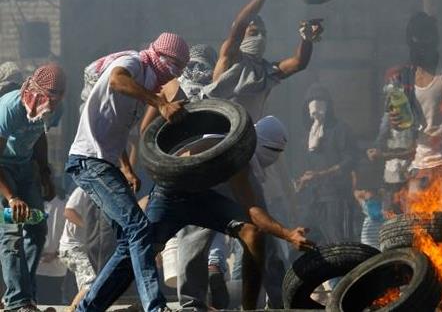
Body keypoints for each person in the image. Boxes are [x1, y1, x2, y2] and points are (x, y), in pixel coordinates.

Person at [171, 0, 324, 310]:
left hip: (240, 158)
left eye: (261, 31)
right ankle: (191, 303)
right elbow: (238, 26)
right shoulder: (229, 60)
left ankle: (280, 298)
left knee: (263, 229)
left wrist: (307, 37)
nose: (257, 33)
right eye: (253, 30)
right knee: (196, 232)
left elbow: (298, 62)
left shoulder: (266, 72)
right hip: (209, 152)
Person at [75, 115, 314, 311]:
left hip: (206, 201)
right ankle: (89, 306)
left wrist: (287, 234)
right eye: (273, 151)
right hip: (171, 195)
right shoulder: (223, 144)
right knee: (139, 250)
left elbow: (254, 212)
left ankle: (250, 308)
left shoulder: (242, 160)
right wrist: (288, 234)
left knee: (254, 234)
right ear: (261, 142)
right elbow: (180, 160)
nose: (274, 158)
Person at [65, 32, 190, 312]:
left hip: (106, 164)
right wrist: (160, 103)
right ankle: (155, 306)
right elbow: (116, 80)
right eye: (175, 67)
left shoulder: (142, 87)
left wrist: (127, 168)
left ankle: (89, 308)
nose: (175, 75)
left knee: (128, 241)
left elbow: (114, 129)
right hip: (88, 160)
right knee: (138, 227)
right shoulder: (134, 62)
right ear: (161, 58)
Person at [368, 12, 442, 209]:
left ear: (433, 40)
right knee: (416, 223)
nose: (420, 48)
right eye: (415, 42)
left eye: (424, 40)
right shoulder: (406, 75)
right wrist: (397, 122)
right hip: (420, 163)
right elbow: (404, 122)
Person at [0, 64, 66, 312]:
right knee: (11, 232)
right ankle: (18, 301)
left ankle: (23, 296)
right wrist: (12, 197)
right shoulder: (10, 108)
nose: (47, 104)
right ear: (32, 91)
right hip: (4, 171)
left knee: (37, 227)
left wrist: (45, 174)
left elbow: (40, 135)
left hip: (27, 169)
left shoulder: (57, 109)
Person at [296, 83, 357, 245]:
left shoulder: (341, 129)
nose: (316, 108)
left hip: (336, 197)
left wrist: (321, 174)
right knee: (305, 242)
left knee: (339, 244)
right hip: (312, 199)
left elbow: (350, 160)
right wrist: (301, 181)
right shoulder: (307, 135)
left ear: (328, 106)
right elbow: (304, 166)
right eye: (312, 103)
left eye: (321, 102)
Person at [58, 187, 98, 312]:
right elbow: (69, 212)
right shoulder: (83, 190)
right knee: (92, 280)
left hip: (83, 248)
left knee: (90, 284)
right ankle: (73, 308)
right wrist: (89, 229)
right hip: (73, 247)